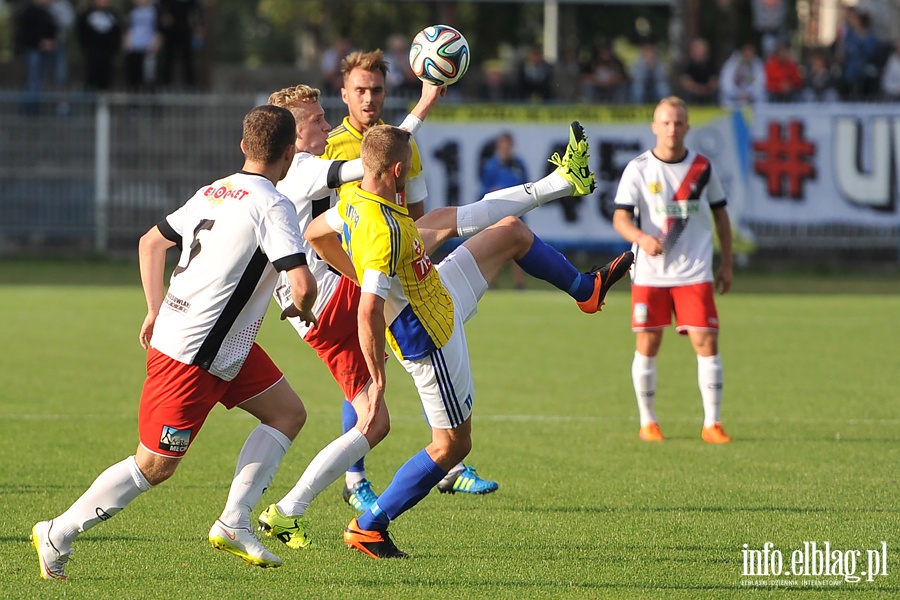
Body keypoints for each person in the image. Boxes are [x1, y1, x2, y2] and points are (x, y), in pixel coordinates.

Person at [256, 87, 609, 551]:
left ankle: (573, 232)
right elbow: (366, 301)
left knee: (489, 231)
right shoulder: (310, 172)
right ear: (290, 136)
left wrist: (424, 104)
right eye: (317, 120)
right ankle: (319, 513)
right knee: (409, 431)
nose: (327, 125)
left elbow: (319, 228)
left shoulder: (342, 195)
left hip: (380, 287)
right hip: (358, 312)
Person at [30, 105, 319, 579]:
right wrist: (301, 309)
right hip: (193, 354)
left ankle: (234, 521)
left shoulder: (212, 192)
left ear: (244, 146)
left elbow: (150, 242)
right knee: (154, 466)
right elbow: (302, 285)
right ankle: (58, 532)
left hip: (222, 343)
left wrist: (154, 306)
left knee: (288, 413)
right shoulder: (273, 203)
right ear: (290, 153)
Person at [321, 49, 500, 508]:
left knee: (423, 360)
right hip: (348, 271)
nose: (368, 98)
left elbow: (415, 213)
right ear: (344, 94)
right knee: (363, 373)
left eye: (376, 90)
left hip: (395, 264)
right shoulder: (330, 147)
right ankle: (356, 479)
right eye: (359, 90)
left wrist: (414, 255)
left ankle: (452, 466)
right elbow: (320, 222)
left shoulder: (403, 145)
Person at [612, 97, 733, 444]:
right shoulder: (638, 168)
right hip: (651, 272)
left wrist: (726, 263)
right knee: (648, 342)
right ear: (654, 127)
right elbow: (620, 216)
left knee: (705, 340)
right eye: (665, 123)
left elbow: (721, 217)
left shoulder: (702, 168)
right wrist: (640, 238)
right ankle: (648, 421)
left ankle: (713, 423)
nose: (671, 129)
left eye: (678, 123)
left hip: (695, 271)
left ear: (687, 128)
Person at [480, 132, 529, 289]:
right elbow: (484, 188)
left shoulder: (518, 164)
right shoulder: (491, 166)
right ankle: (492, 281)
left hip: (517, 209)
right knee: (496, 246)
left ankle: (519, 282)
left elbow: (527, 185)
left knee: (520, 245)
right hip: (498, 211)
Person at [16, 0, 57, 115]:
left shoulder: (47, 12)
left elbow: (52, 28)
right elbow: (25, 33)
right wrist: (40, 42)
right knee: (32, 80)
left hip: (45, 51)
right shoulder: (28, 11)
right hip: (34, 50)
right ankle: (29, 109)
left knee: (39, 80)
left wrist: (51, 42)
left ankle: (34, 107)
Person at [77, 0, 121, 91]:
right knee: (91, 76)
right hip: (92, 52)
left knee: (105, 78)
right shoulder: (87, 15)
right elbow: (81, 32)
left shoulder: (113, 16)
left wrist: (114, 48)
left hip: (107, 53)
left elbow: (117, 33)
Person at [158, 0, 202, 90]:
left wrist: (198, 28)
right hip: (170, 32)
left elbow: (198, 12)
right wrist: (164, 19)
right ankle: (166, 84)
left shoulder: (192, 2)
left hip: (186, 32)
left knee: (188, 59)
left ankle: (190, 85)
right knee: (168, 58)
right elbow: (160, 11)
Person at [123, 0, 161, 92]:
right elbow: (128, 29)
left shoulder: (154, 12)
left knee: (149, 77)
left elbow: (158, 31)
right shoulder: (132, 12)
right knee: (134, 77)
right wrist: (127, 44)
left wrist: (155, 44)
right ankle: (133, 102)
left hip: (148, 48)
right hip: (134, 48)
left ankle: (151, 102)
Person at [719, 42, 767, 107]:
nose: (748, 56)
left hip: (752, 99)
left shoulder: (758, 65)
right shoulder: (732, 63)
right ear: (743, 53)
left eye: (751, 54)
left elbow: (761, 83)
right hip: (734, 98)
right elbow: (726, 82)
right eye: (746, 53)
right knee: (725, 96)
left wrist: (749, 95)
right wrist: (737, 95)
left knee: (762, 97)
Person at [679, 38, 719, 105]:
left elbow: (714, 80)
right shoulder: (688, 65)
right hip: (694, 92)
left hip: (707, 92)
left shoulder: (710, 65)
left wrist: (707, 88)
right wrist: (698, 88)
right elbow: (685, 81)